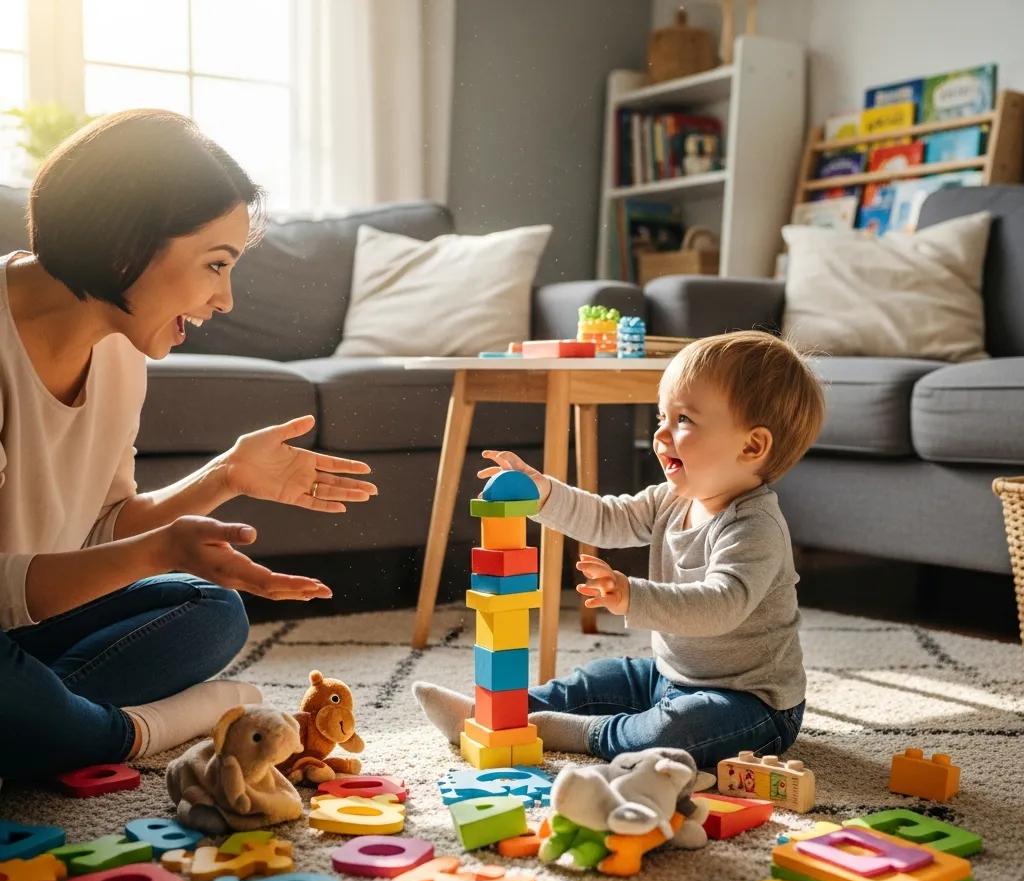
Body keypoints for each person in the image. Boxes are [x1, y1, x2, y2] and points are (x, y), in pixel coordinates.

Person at [0, 110, 377, 781]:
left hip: (20, 633)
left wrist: (226, 475)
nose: (225, 299)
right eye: (216, 265)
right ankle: (126, 731)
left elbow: (100, 529)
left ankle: (44, 722)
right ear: (129, 244)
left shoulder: (120, 354)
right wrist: (154, 549)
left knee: (210, 608)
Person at [414, 331, 825, 769]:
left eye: (683, 420)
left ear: (752, 446)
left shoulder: (754, 527)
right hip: (668, 677)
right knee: (597, 679)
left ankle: (576, 733)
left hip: (752, 705)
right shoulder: (672, 499)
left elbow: (721, 605)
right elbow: (606, 518)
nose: (662, 434)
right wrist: (543, 493)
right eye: (660, 417)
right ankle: (498, 713)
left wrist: (634, 595)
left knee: (675, 731)